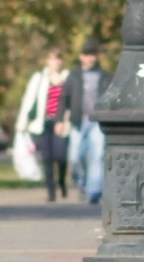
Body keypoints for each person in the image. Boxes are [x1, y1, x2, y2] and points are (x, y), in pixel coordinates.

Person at [16, 50, 74, 201]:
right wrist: (22, 122)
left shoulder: (67, 78)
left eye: (58, 59)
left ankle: (61, 180)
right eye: (52, 59)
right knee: (47, 158)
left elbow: (71, 101)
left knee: (61, 156)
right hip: (41, 123)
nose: (55, 63)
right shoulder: (39, 78)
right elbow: (29, 99)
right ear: (47, 61)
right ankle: (51, 191)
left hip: (61, 122)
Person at [73, 40, 111, 203]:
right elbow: (64, 98)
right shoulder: (74, 76)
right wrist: (60, 119)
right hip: (78, 121)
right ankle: (82, 184)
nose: (91, 59)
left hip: (97, 121)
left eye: (93, 55)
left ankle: (94, 191)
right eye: (87, 55)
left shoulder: (105, 76)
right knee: (75, 157)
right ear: (81, 57)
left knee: (97, 156)